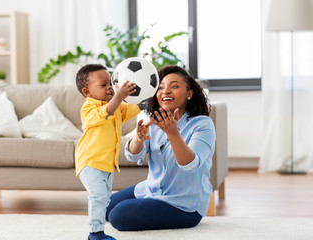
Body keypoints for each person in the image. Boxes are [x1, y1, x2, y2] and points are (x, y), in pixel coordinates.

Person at [106, 65, 216, 231]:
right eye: (161, 87)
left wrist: (173, 133)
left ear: (189, 94)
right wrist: (139, 138)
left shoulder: (202, 124)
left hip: (183, 205)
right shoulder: (154, 120)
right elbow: (134, 156)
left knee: (118, 215)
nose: (166, 91)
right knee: (102, 207)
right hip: (151, 189)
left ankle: (145, 207)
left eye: (174, 86)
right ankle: (145, 205)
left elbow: (191, 165)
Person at [75, 64, 141, 240]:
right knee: (98, 196)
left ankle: (98, 231)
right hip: (90, 162)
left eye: (110, 83)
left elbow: (132, 109)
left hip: (107, 164)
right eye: (103, 85)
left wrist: (146, 101)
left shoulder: (117, 106)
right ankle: (95, 233)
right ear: (87, 92)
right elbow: (105, 112)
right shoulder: (88, 108)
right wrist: (119, 97)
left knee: (104, 198)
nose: (110, 88)